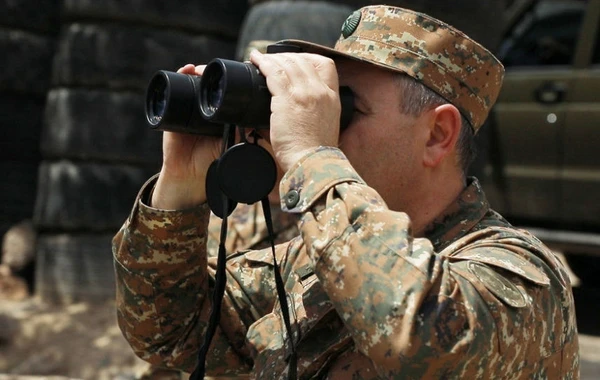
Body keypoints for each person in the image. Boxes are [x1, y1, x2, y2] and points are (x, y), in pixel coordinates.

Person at [113, 5, 580, 379]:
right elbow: (167, 333)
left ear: (437, 134)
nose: (324, 123)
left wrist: (310, 153)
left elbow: (421, 338)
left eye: (344, 108)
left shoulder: (518, 276)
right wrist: (180, 187)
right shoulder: (309, 260)